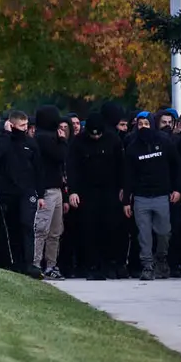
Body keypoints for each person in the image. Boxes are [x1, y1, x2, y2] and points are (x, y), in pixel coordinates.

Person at [123, 112, 181, 280]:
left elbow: (177, 167)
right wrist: (126, 200)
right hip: (141, 197)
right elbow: (128, 176)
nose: (143, 127)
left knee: (164, 232)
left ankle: (161, 259)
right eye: (140, 124)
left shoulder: (165, 142)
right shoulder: (132, 147)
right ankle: (147, 266)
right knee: (144, 234)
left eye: (146, 123)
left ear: (152, 124)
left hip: (162, 196)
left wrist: (178, 189)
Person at [67, 111, 123, 280]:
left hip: (110, 190)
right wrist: (73, 191)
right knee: (89, 228)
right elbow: (72, 168)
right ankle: (91, 265)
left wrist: (123, 188)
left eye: (99, 134)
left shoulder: (113, 140)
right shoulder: (78, 143)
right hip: (87, 191)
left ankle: (109, 265)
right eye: (93, 134)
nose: (96, 137)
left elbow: (121, 165)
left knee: (111, 227)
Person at [0, 110, 43, 278]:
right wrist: (6, 133)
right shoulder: (3, 140)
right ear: (12, 125)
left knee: (26, 224)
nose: (25, 128)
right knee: (13, 227)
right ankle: (17, 262)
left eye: (26, 125)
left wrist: (40, 194)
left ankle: (29, 263)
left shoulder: (31, 143)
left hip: (27, 191)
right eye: (21, 126)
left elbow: (38, 169)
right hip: (8, 191)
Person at [32, 105, 67, 280]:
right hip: (46, 190)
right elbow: (60, 155)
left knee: (55, 231)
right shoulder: (43, 138)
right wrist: (62, 141)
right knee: (42, 229)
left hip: (56, 188)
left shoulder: (48, 137)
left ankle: (51, 265)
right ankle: (37, 264)